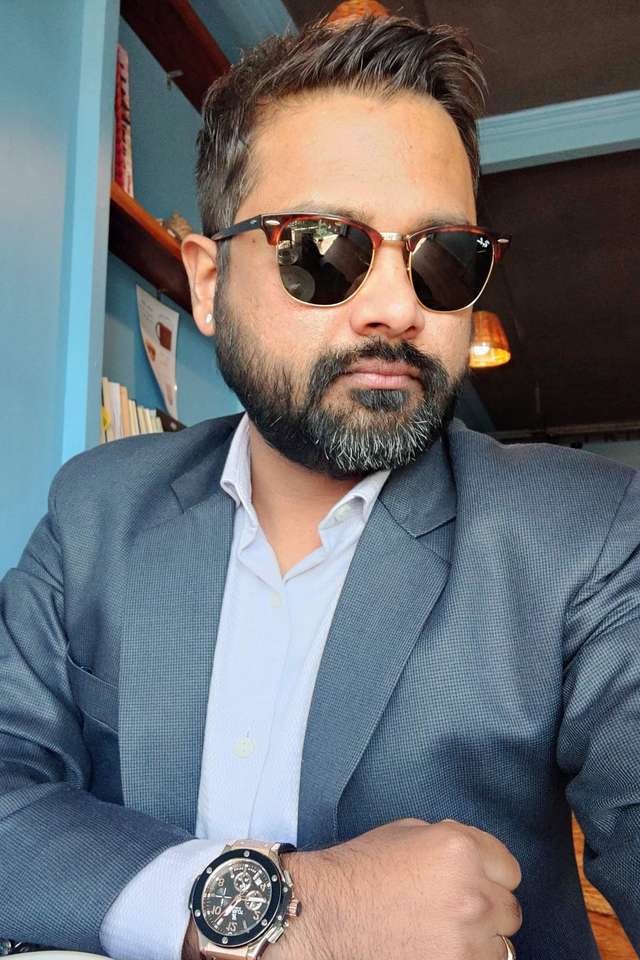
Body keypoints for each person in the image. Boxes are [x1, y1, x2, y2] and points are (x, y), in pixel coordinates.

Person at [1, 14, 639, 960]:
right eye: (324, 250)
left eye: (444, 259)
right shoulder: (96, 508)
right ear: (208, 283)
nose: (397, 307)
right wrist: (299, 909)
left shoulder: (583, 533)